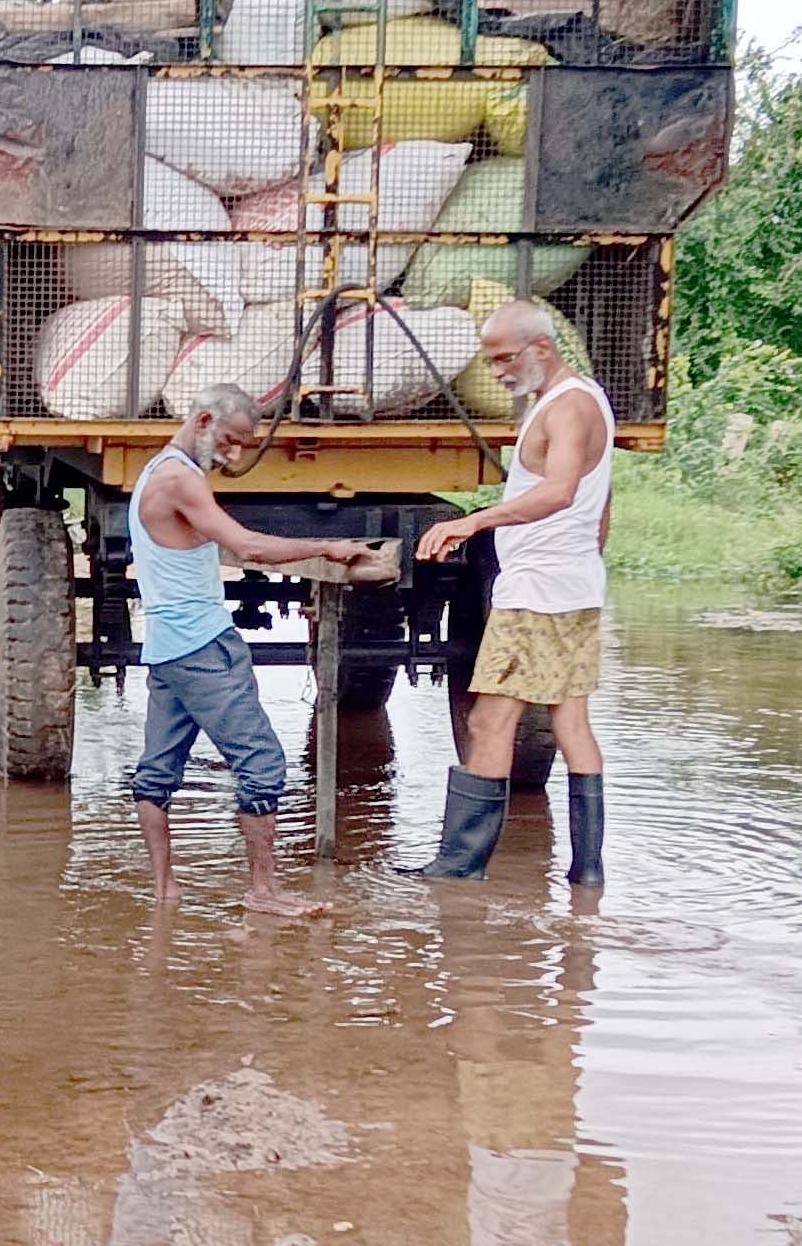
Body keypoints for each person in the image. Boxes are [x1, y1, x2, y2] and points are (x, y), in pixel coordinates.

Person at [129, 383, 376, 916]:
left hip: (166, 651)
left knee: (155, 773)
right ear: (202, 422)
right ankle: (264, 893)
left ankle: (164, 892)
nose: (235, 457)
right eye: (231, 442)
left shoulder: (155, 471)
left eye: (243, 446)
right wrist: (327, 547)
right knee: (263, 764)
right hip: (202, 648)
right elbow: (248, 547)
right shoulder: (178, 480)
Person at [404, 301, 611, 886]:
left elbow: (562, 491)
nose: (496, 372)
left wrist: (472, 522)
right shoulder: (589, 398)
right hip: (575, 585)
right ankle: (586, 877)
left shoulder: (566, 409)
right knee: (572, 725)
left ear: (540, 348)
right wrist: (589, 563)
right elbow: (602, 501)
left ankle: (458, 867)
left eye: (502, 358)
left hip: (539, 592)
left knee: (490, 723)